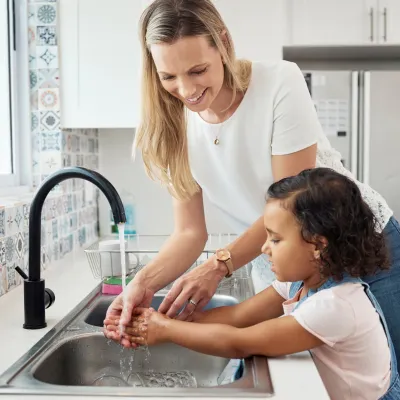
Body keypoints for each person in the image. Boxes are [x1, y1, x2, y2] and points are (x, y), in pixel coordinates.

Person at [104, 0, 400, 370]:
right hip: (290, 262)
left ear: (224, 43)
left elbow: (295, 210)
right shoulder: (172, 123)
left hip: (363, 243)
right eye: (169, 77)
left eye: (197, 70)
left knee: (390, 374)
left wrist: (217, 266)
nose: (186, 89)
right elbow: (189, 233)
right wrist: (141, 285)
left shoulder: (279, 82)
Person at [104, 168, 400, 400]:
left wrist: (165, 330)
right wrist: (160, 320)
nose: (264, 248)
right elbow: (237, 317)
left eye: (275, 239)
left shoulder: (335, 305)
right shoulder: (305, 281)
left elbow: (239, 342)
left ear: (317, 245)